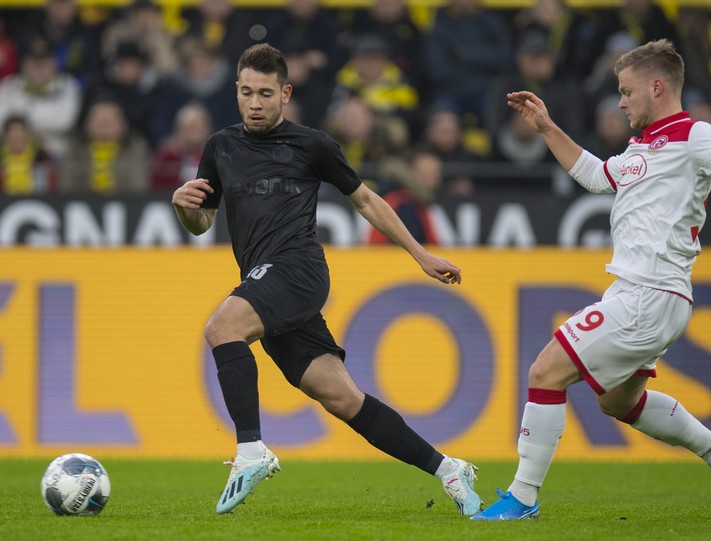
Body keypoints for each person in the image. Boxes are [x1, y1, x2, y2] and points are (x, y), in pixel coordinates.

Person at [472, 39, 711, 521]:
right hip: (644, 295)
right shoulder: (640, 146)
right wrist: (547, 127)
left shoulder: (694, 135)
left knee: (545, 372)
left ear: (657, 86)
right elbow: (595, 175)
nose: (620, 101)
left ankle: (522, 497)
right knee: (618, 401)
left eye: (626, 90)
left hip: (650, 295)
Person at [170, 43, 482, 516]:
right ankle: (448, 469)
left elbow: (368, 201)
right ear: (236, 91)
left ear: (285, 94)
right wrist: (183, 208)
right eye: (247, 93)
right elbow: (203, 223)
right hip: (264, 281)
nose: (255, 103)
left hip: (298, 270)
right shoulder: (220, 147)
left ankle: (251, 452)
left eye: (266, 94)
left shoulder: (311, 144)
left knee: (221, 328)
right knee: (342, 398)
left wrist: (419, 254)